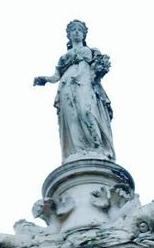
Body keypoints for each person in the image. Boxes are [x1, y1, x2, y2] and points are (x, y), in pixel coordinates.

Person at [33, 20, 115, 161]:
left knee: (86, 111)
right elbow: (56, 76)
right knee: (72, 117)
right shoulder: (64, 57)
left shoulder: (92, 51)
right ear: (69, 35)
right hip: (66, 84)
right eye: (73, 30)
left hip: (84, 82)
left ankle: (98, 147)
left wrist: (100, 69)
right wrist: (45, 79)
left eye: (79, 30)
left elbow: (100, 69)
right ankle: (78, 150)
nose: (76, 32)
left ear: (84, 35)